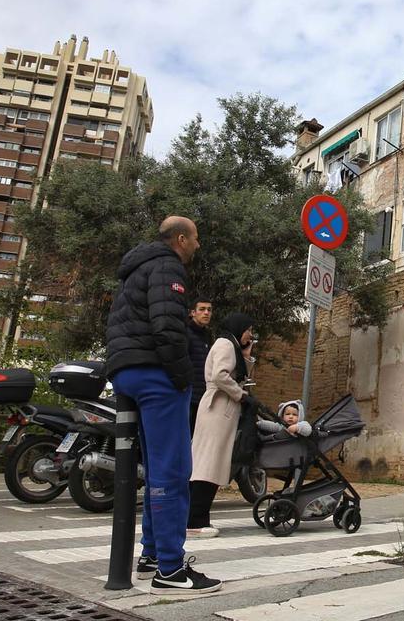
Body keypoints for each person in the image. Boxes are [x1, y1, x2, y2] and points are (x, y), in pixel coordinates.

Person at [105, 216, 220, 595]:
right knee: (173, 470)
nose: (198, 246)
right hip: (156, 373)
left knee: (156, 467)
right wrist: (183, 375)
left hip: (126, 372)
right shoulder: (167, 266)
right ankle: (170, 569)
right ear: (181, 238)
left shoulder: (134, 268)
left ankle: (152, 554)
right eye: (196, 239)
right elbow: (168, 326)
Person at [188, 312, 256, 537]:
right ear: (239, 327)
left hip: (220, 409)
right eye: (249, 329)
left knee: (210, 464)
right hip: (217, 408)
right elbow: (220, 375)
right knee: (207, 464)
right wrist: (241, 396)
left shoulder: (232, 346)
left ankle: (199, 518)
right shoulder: (226, 344)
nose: (251, 334)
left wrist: (246, 355)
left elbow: (239, 376)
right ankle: (195, 521)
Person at [186, 297, 213, 437]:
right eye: (202, 309)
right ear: (192, 313)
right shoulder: (186, 334)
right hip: (188, 397)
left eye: (209, 310)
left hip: (203, 397)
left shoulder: (207, 336)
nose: (206, 313)